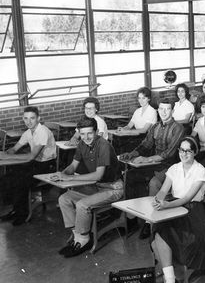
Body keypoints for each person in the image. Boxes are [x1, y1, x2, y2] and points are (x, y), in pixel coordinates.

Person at [150, 136, 205, 283]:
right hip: (174, 207)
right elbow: (164, 189)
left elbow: (188, 198)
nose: (184, 154)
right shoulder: (174, 168)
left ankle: (172, 277)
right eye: (182, 150)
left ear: (195, 152)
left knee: (164, 233)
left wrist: (166, 206)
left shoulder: (200, 170)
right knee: (157, 235)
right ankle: (171, 282)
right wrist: (158, 199)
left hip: (194, 211)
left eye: (188, 150)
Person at [55, 118, 123, 258]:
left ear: (97, 132)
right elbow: (73, 166)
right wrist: (62, 174)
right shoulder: (81, 143)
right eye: (82, 134)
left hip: (113, 189)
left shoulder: (104, 145)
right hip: (97, 187)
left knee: (82, 204)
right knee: (64, 199)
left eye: (89, 133)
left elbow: (98, 175)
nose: (86, 137)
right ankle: (77, 236)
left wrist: (71, 178)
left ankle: (84, 239)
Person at [119, 99, 185, 239]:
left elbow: (170, 153)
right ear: (158, 110)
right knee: (130, 176)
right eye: (161, 109)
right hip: (155, 164)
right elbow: (145, 145)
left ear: (172, 111)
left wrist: (147, 159)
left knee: (154, 183)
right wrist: (131, 154)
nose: (164, 112)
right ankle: (131, 219)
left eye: (167, 109)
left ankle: (150, 223)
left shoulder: (178, 128)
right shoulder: (155, 126)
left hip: (171, 167)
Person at [0, 106, 56, 226]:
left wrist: (8, 157)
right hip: (36, 163)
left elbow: (31, 156)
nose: (28, 121)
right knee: (7, 177)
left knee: (20, 181)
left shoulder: (43, 131)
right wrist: (6, 153)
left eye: (32, 118)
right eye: (25, 118)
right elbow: (15, 148)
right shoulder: (28, 132)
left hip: (48, 166)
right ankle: (15, 210)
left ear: (38, 118)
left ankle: (23, 214)